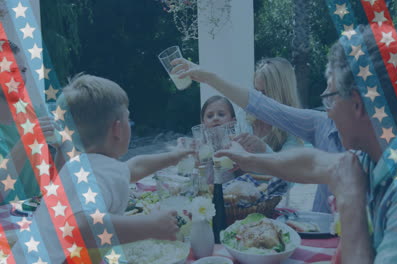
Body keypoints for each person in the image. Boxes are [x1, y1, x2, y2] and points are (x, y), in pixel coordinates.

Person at [175, 26, 397, 263]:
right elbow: (315, 162)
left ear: (357, 105)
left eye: (329, 99)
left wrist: (350, 202)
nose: (326, 111)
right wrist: (254, 161)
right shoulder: (385, 149)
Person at [12, 74, 193, 263]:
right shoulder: (96, 173)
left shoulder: (85, 166)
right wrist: (151, 225)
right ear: (118, 129)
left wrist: (175, 156)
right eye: (128, 119)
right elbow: (79, 226)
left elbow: (135, 166)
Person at [173, 57, 340, 213]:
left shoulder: (295, 130)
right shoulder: (241, 118)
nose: (261, 99)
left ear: (280, 95)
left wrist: (262, 149)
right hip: (230, 204)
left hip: (268, 208)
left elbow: (288, 181)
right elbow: (220, 159)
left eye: (265, 93)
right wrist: (197, 150)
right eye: (257, 91)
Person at [0, 40, 65, 204]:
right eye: (12, 71)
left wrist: (63, 147)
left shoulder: (30, 113)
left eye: (23, 70)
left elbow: (52, 180)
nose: (21, 78)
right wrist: (27, 141)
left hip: (37, 216)